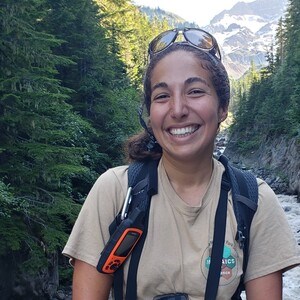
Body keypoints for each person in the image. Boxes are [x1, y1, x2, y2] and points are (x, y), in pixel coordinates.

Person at [62, 28, 300, 300]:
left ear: (223, 107)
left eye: (195, 91)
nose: (177, 109)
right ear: (150, 114)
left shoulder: (254, 200)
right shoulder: (116, 191)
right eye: (162, 96)